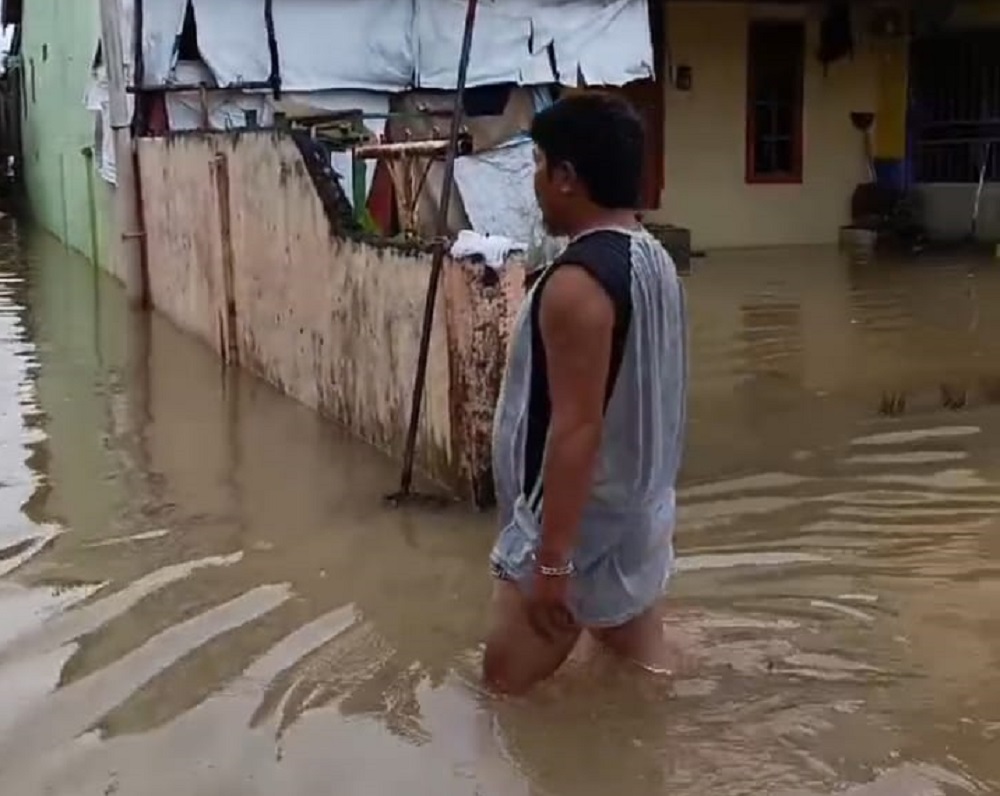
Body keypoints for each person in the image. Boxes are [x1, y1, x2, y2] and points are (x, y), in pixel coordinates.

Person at [483, 92, 688, 696]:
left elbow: (576, 429)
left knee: (503, 693)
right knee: (642, 676)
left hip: (579, 529)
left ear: (568, 177)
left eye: (541, 165)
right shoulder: (655, 261)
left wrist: (550, 564)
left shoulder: (577, 285)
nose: (537, 183)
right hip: (638, 512)